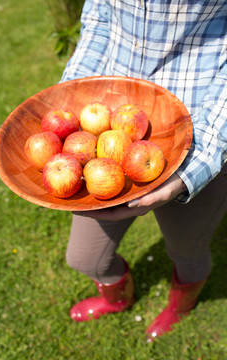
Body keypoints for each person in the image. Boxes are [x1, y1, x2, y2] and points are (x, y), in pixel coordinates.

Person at [59, 0, 227, 341]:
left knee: (188, 251)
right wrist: (73, 96)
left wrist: (191, 172)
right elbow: (99, 18)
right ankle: (118, 299)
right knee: (85, 258)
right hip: (106, 126)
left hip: (197, 133)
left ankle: (181, 307)